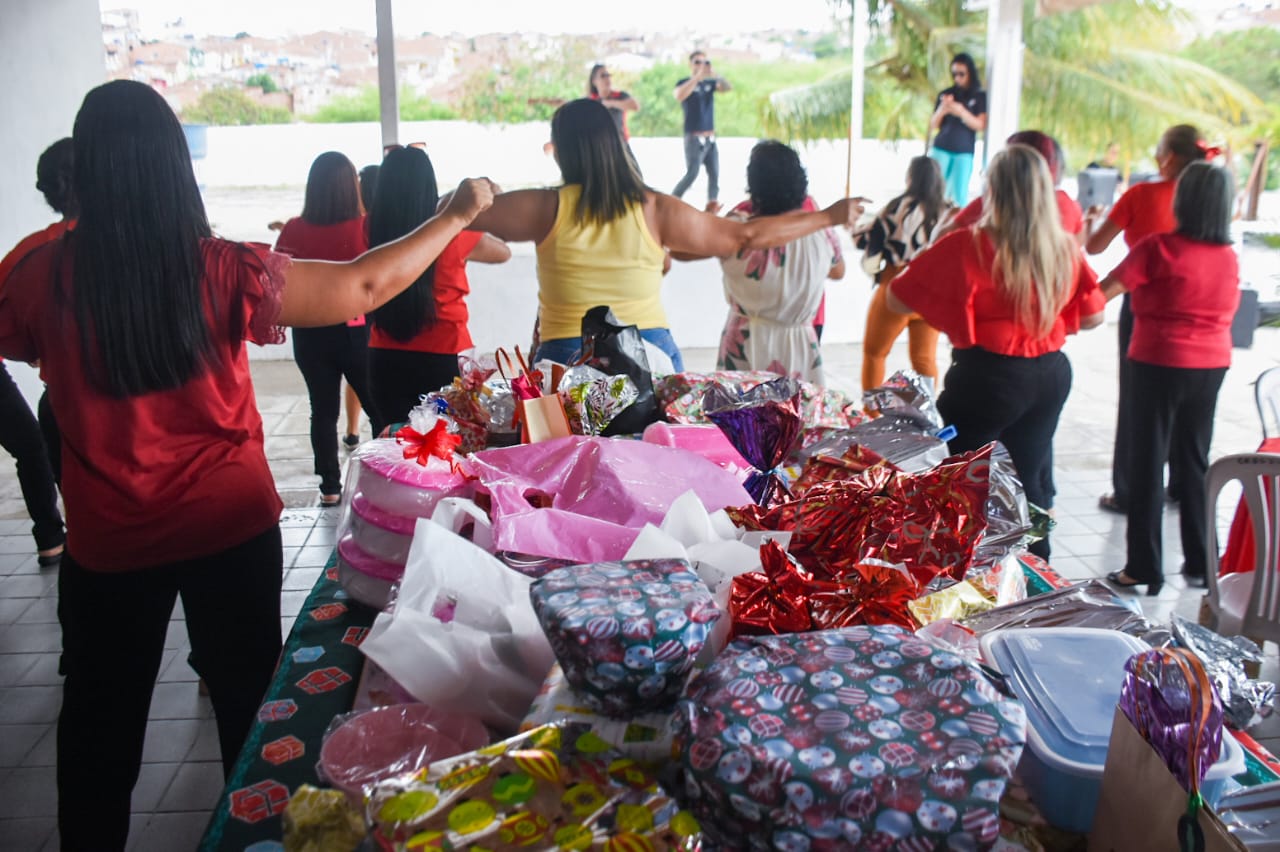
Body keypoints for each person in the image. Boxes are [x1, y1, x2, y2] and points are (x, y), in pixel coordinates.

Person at [0, 79, 493, 852]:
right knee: (250, 713)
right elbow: (365, 282)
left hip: (108, 546)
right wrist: (455, 216)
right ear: (174, 166)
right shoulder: (222, 269)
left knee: (99, 728)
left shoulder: (39, 272)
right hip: (228, 531)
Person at [466, 99, 864, 373]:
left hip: (568, 353)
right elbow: (745, 236)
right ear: (616, 143)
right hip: (649, 354)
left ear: (560, 150)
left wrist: (481, 192)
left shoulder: (542, 207)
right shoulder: (656, 209)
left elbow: (453, 213)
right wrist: (826, 216)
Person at [887, 145, 1106, 560]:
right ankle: (1036, 573)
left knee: (958, 482)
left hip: (987, 379)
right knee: (1029, 478)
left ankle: (962, 572)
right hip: (1050, 375)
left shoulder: (966, 245)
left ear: (993, 191)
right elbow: (1094, 317)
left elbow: (896, 298)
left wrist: (949, 305)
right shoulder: (1063, 247)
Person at [1099, 163, 1239, 596]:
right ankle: (1201, 563)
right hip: (1211, 366)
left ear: (1183, 200)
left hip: (1158, 363)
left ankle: (1143, 567)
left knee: (1147, 462)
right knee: (1194, 462)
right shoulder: (1228, 257)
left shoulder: (1158, 248)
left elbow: (1102, 293)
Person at [1086, 124, 1216, 515]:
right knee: (1192, 404)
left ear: (1169, 157)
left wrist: (1092, 221)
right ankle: (1183, 486)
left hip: (1144, 306)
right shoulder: (1209, 201)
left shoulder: (1141, 195)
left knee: (1138, 402)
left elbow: (1096, 246)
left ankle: (1130, 491)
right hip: (1202, 306)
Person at [366, 145, 511, 436]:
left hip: (383, 356)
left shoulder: (369, 230)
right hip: (443, 360)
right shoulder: (452, 233)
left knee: (390, 442)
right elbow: (503, 252)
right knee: (445, 442)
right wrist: (457, 206)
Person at [676, 140, 844, 384]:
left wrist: (708, 220)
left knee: (739, 406)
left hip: (746, 341)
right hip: (800, 343)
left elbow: (680, 250)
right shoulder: (821, 228)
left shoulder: (736, 228)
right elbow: (838, 271)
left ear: (754, 184)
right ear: (800, 181)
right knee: (798, 406)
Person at [274, 152, 379, 505]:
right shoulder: (367, 227)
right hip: (356, 330)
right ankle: (382, 479)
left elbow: (277, 281)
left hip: (308, 333)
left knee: (322, 410)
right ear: (351, 186)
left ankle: (330, 488)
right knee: (376, 407)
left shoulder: (293, 229)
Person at [0, 138, 71, 566]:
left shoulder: (30, 254)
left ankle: (54, 538)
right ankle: (51, 536)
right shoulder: (144, 239)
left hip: (65, 400)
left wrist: (37, 346)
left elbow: (11, 331)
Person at [857, 155, 949, 393]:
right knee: (924, 359)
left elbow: (870, 242)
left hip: (896, 285)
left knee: (875, 353)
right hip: (932, 292)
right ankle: (925, 408)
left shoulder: (896, 208)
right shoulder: (946, 211)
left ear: (910, 177)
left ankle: (872, 410)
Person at [939, 130, 1084, 240]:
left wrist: (947, 217)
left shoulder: (991, 204)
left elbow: (939, 239)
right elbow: (1079, 249)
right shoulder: (1068, 206)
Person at [672, 50, 731, 213]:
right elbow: (679, 95)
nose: (701, 65)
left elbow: (727, 87)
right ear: (690, 64)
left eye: (704, 62)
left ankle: (712, 206)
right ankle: (673, 201)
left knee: (714, 174)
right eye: (697, 62)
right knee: (692, 173)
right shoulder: (684, 82)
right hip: (694, 137)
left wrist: (715, 74)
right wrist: (696, 77)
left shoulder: (710, 84)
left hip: (710, 137)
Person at [928, 52, 987, 206]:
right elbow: (933, 125)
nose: (957, 78)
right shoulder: (947, 94)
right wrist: (943, 109)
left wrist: (961, 111)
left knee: (959, 197)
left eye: (961, 74)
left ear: (970, 73)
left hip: (964, 152)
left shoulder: (980, 96)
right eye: (954, 74)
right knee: (933, 191)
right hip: (941, 148)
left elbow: (981, 125)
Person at [588, 63, 639, 143]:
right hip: (599, 144)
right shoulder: (590, 100)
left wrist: (611, 103)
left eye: (608, 75)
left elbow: (635, 106)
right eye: (603, 76)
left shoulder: (619, 95)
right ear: (594, 81)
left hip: (620, 143)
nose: (607, 78)